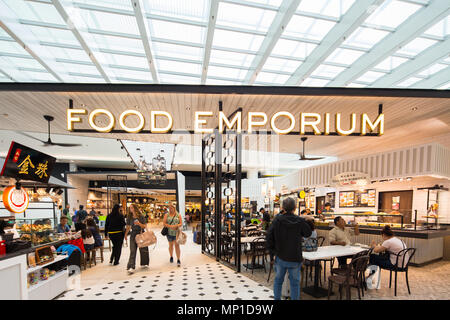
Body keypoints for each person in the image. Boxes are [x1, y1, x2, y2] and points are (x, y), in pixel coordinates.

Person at [266, 197, 312, 300]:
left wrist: (272, 253)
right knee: (295, 284)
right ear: (295, 208)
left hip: (280, 256)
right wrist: (306, 220)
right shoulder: (299, 220)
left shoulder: (277, 220)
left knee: (278, 281)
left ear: (283, 208)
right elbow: (308, 233)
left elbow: (269, 237)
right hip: (295, 257)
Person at [125, 204, 149, 274]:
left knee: (143, 249)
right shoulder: (129, 217)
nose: (130, 209)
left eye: (132, 207)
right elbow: (128, 226)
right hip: (133, 234)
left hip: (140, 233)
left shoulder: (141, 216)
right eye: (130, 208)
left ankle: (144, 263)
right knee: (133, 250)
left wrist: (139, 224)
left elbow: (144, 226)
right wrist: (126, 234)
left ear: (135, 208)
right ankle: (131, 266)